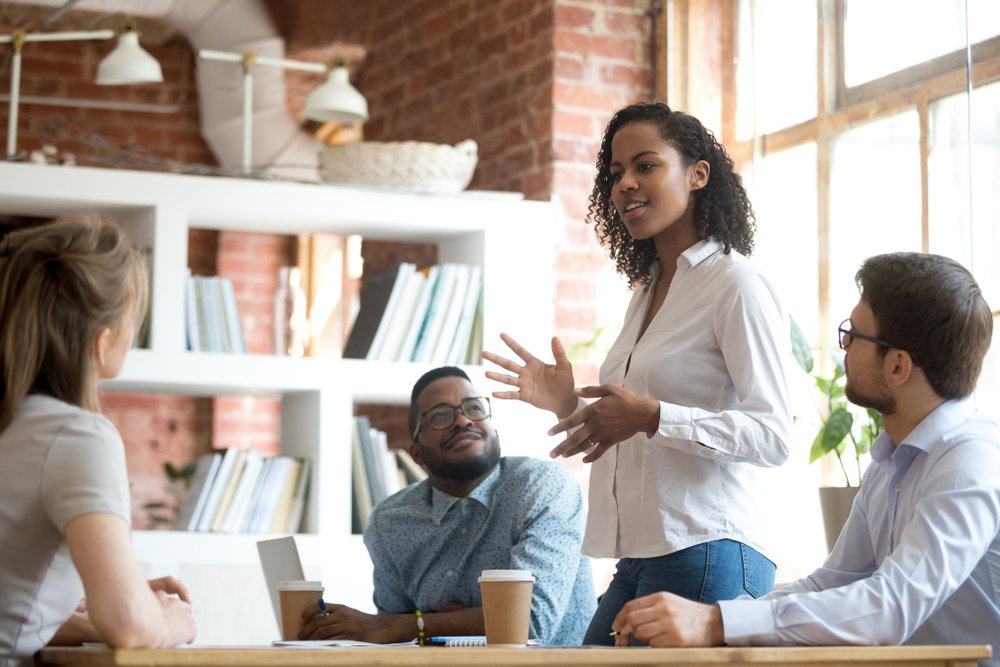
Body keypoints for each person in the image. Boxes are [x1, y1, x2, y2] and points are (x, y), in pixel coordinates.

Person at [483, 101, 792, 645]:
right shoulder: (647, 293)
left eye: (645, 165)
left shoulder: (735, 285)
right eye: (615, 173)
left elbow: (772, 435)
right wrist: (566, 405)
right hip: (643, 556)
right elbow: (636, 424)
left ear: (698, 174)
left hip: (711, 548)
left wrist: (651, 416)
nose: (625, 183)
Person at [612, 252, 999, 662]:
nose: (843, 347)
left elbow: (889, 607)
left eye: (854, 335)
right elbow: (828, 585)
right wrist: (714, 617)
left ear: (899, 366)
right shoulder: (892, 463)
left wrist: (716, 624)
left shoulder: (969, 463)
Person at [0, 216, 197, 667]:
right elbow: (129, 626)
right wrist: (165, 621)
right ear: (103, 341)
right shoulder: (77, 435)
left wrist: (113, 604)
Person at [297, 366, 595, 645]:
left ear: (494, 431)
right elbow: (395, 640)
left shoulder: (542, 486)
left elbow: (528, 623)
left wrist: (418, 624)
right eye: (439, 416)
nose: (463, 420)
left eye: (475, 408)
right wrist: (440, 623)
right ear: (416, 453)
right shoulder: (389, 521)